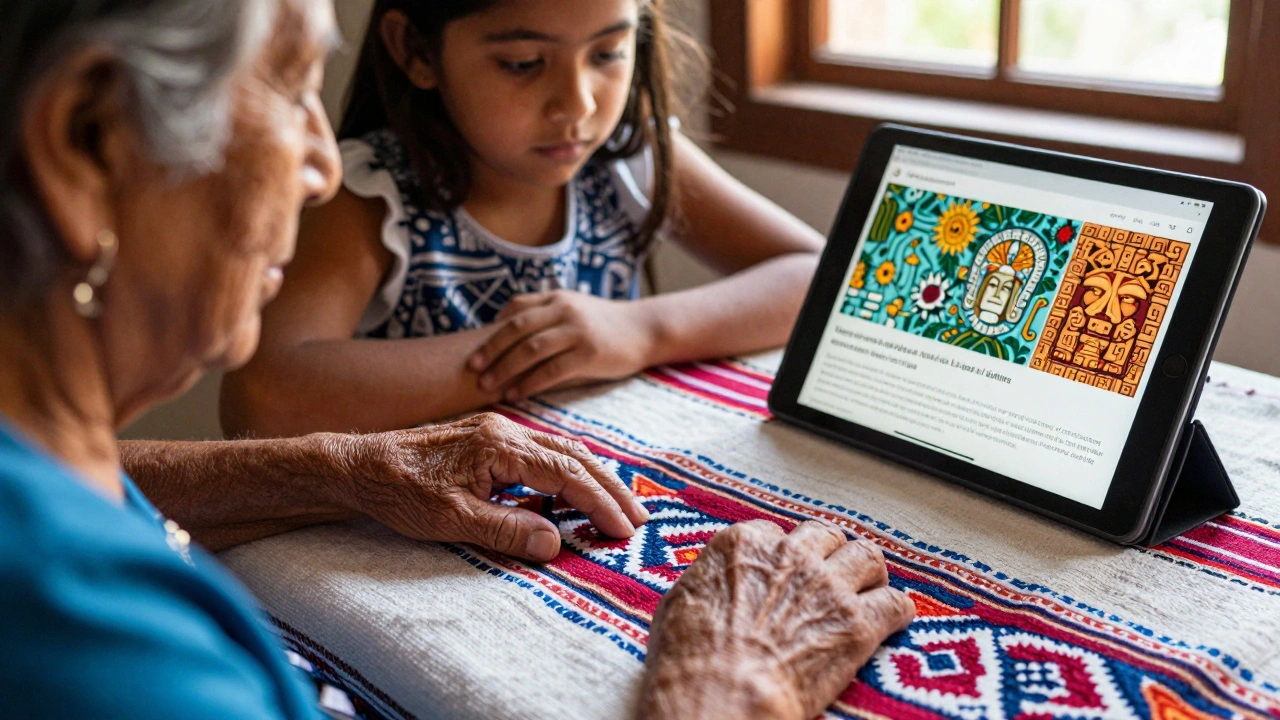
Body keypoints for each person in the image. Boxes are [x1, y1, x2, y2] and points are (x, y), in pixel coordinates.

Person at [0, 0, 913, 718]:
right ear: (85, 142)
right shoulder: (74, 635)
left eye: (608, 48)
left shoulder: (46, 483)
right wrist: (726, 695)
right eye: (285, 84)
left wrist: (340, 471)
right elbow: (272, 391)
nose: (321, 163)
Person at [219, 0, 828, 438]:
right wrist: (543, 352)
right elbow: (264, 397)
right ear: (415, 50)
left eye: (609, 52)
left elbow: (820, 278)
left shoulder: (628, 155)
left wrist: (640, 330)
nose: (579, 104)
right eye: (523, 62)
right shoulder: (371, 193)